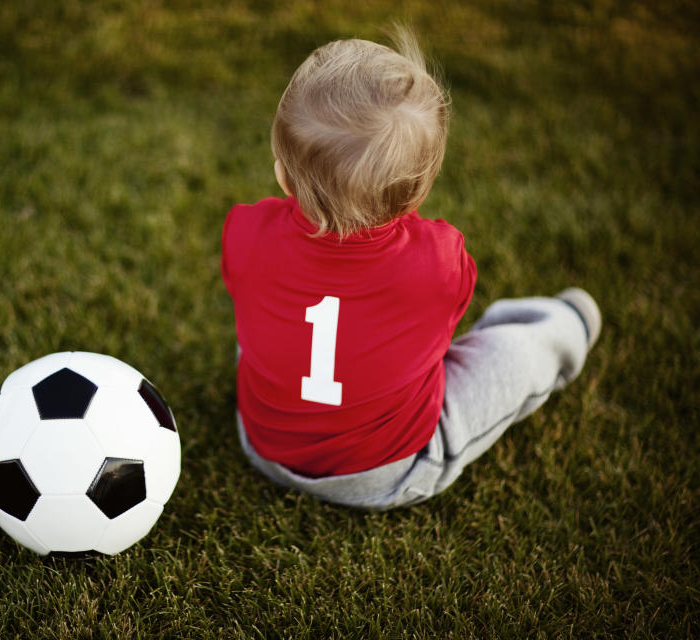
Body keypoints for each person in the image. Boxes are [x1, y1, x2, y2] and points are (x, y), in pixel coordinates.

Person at [221, 32, 601, 509]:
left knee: (262, 316)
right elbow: (446, 325)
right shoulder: (439, 259)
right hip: (388, 468)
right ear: (419, 194)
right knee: (508, 357)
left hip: (263, 443)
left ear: (281, 174)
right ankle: (566, 326)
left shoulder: (244, 229)